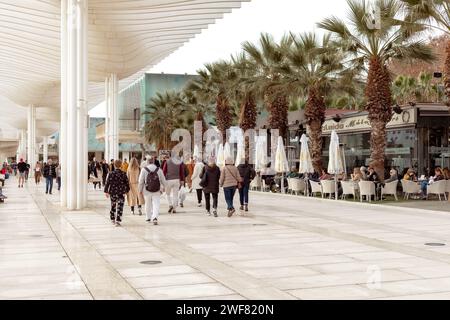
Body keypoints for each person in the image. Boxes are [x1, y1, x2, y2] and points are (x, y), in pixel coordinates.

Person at [139, 157, 167, 225]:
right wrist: (164, 187)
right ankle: (155, 218)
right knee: (156, 204)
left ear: (147, 162)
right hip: (157, 190)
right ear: (153, 162)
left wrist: (140, 190)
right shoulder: (159, 169)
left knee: (147, 204)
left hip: (147, 190)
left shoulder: (144, 169)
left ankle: (148, 218)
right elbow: (163, 180)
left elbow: (141, 181)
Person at [104, 160, 130, 227]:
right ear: (121, 165)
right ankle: (118, 220)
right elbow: (127, 184)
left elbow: (107, 183)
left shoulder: (110, 173)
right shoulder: (124, 174)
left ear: (114, 165)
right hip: (121, 193)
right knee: (120, 206)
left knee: (113, 205)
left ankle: (112, 218)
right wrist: (127, 191)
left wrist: (106, 191)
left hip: (112, 192)